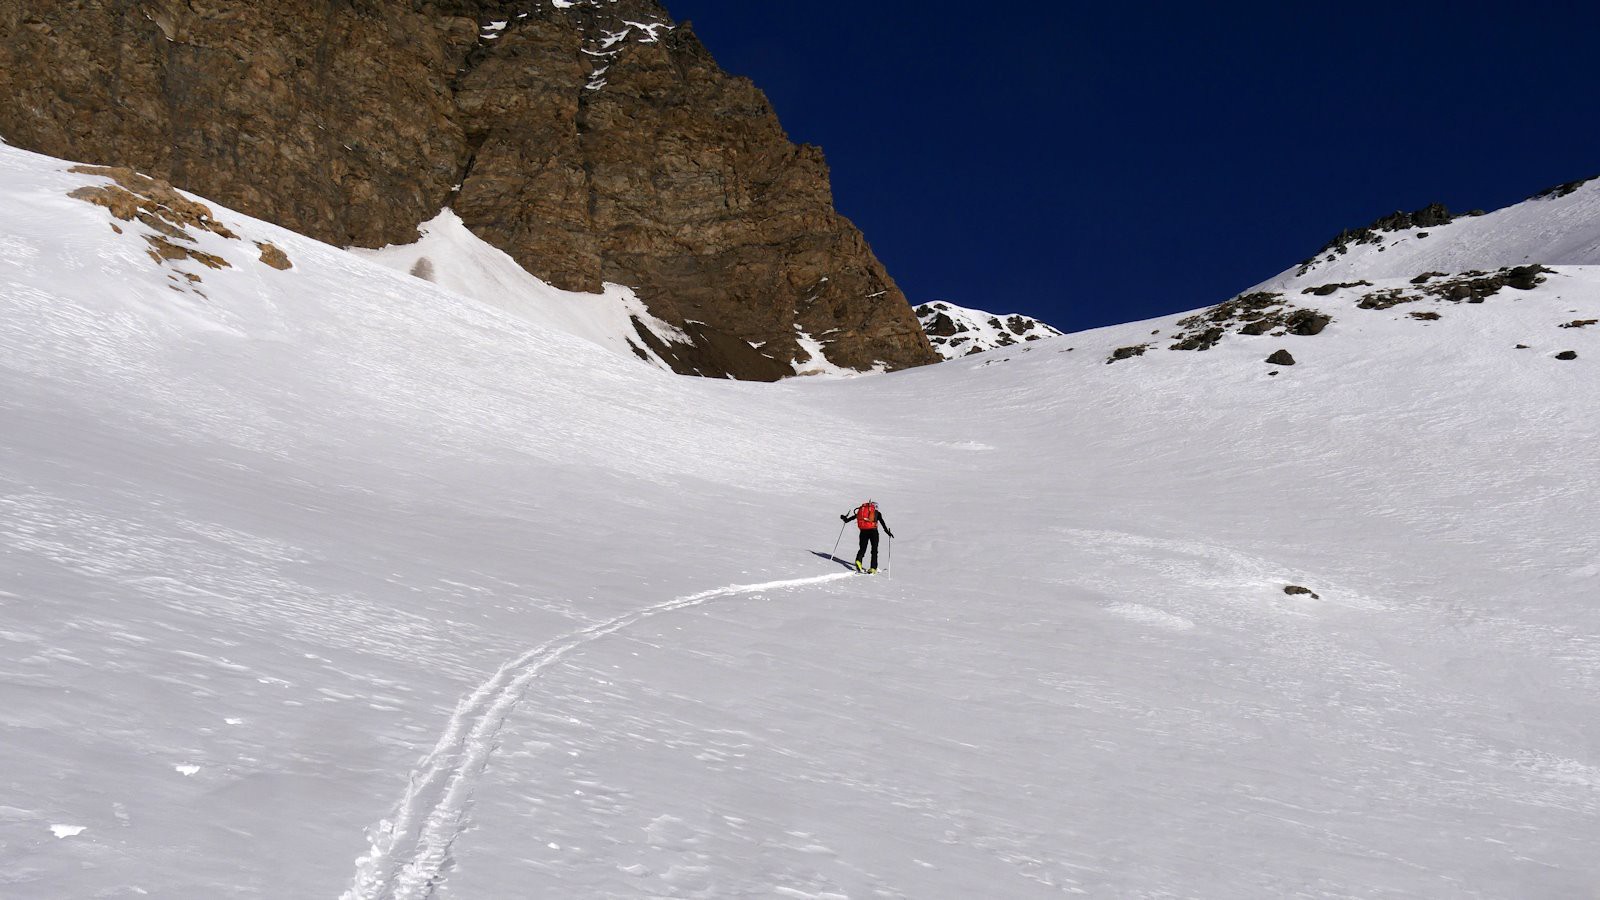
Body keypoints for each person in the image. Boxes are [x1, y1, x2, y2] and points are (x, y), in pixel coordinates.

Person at [841, 500, 894, 573]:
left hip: (863, 531)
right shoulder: (877, 513)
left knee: (862, 548)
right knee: (874, 550)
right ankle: (873, 568)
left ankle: (858, 560)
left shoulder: (862, 513)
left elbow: (848, 520)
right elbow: (882, 523)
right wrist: (887, 532)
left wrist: (845, 519)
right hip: (873, 532)